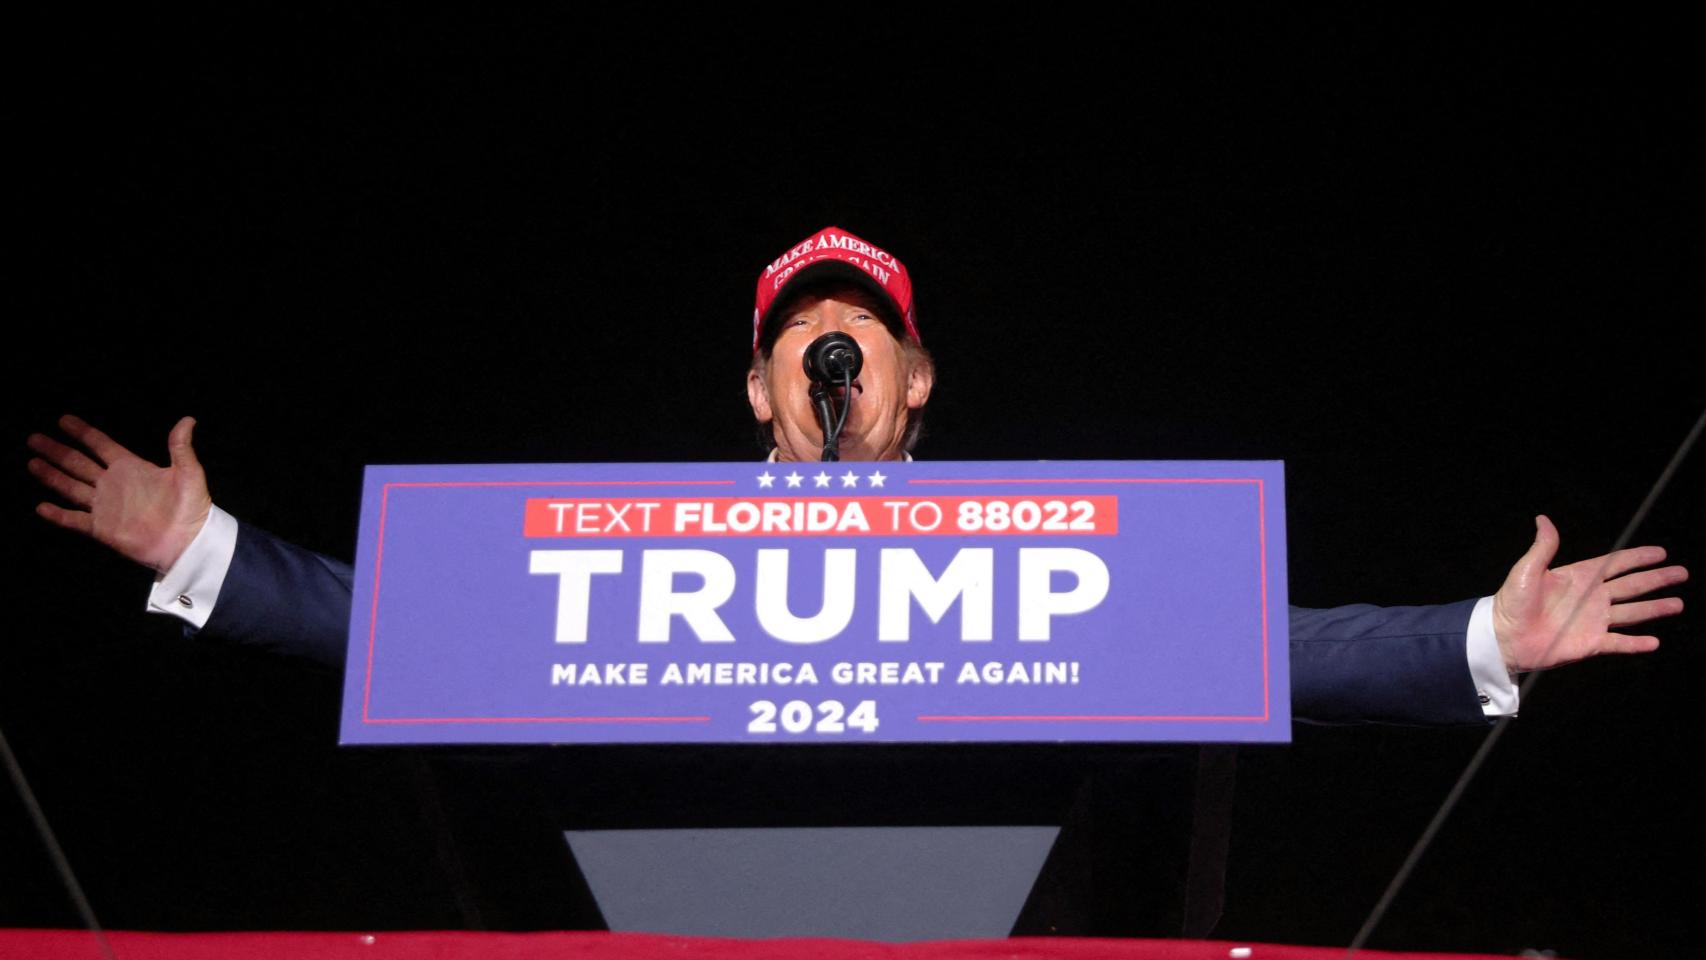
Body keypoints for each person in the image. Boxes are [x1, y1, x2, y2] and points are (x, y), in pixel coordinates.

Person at [26, 226, 1688, 724]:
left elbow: (1264, 643)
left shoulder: (1039, 550)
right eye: (803, 335)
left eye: (864, 332)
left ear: (914, 379)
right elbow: (414, 626)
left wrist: (1475, 633)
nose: (836, 349)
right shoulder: (623, 550)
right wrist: (216, 551)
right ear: (758, 385)